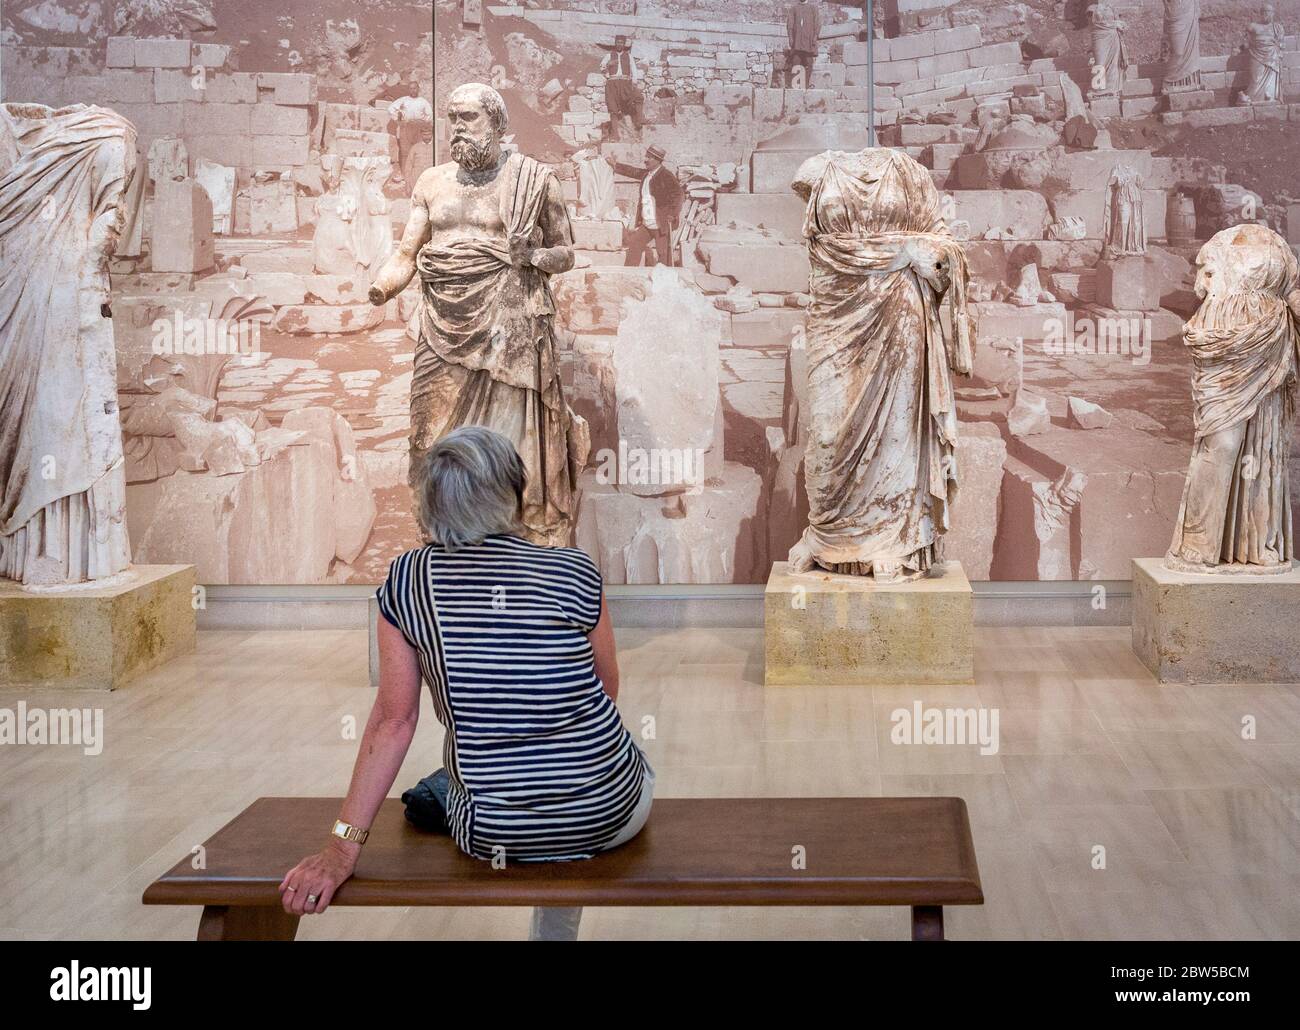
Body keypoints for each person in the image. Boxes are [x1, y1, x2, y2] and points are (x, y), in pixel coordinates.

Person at [279, 425, 655, 941]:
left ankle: (456, 789)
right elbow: (605, 690)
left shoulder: (409, 580)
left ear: (431, 501)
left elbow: (394, 722)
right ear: (514, 493)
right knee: (608, 764)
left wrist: (341, 850)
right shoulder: (574, 569)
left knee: (452, 785)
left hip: (493, 830)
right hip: (612, 808)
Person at [368, 82, 588, 548]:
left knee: (513, 440)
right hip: (442, 327)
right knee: (430, 432)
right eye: (453, 119)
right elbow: (407, 252)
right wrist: (382, 285)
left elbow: (565, 253)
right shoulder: (432, 182)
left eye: (468, 117)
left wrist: (531, 256)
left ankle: (524, 537)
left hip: (511, 328)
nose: (458, 128)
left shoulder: (535, 180)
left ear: (498, 124)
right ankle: (441, 534)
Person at [787, 147, 973, 581]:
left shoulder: (913, 174)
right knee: (830, 432)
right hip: (835, 316)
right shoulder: (815, 170)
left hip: (899, 312)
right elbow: (819, 249)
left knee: (898, 430)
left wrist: (921, 254)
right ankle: (826, 533)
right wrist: (902, 249)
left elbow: (945, 244)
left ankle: (893, 539)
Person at [609, 145, 683, 267]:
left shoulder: (666, 175)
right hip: (647, 224)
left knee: (663, 255)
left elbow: (679, 195)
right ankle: (630, 275)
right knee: (634, 243)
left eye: (649, 157)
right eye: (646, 156)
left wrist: (672, 214)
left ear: (657, 160)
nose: (645, 160)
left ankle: (666, 281)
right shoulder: (647, 174)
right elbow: (633, 171)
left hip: (661, 224)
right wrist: (615, 165)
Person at [387, 81, 433, 184]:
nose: (413, 90)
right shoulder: (404, 100)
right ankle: (404, 175)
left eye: (415, 88)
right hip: (406, 127)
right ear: (409, 90)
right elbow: (390, 109)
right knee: (405, 152)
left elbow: (430, 115)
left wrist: (422, 121)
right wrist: (399, 120)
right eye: (411, 88)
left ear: (418, 89)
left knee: (418, 150)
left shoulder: (423, 101)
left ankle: (419, 176)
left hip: (418, 128)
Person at [600, 35, 644, 141]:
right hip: (612, 83)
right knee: (613, 109)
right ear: (615, 43)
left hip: (626, 83)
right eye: (618, 42)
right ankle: (615, 135)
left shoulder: (629, 56)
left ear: (624, 44)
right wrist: (609, 65)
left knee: (638, 97)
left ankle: (638, 121)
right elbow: (601, 68)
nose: (619, 44)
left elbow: (633, 69)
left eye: (621, 42)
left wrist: (634, 82)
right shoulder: (609, 55)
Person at [786, 0, 822, 89]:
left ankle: (805, 85)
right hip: (797, 42)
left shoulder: (813, 8)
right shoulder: (794, 9)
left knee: (809, 63)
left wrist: (815, 37)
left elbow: (817, 23)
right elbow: (790, 25)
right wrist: (790, 38)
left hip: (809, 42)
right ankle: (795, 85)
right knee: (796, 62)